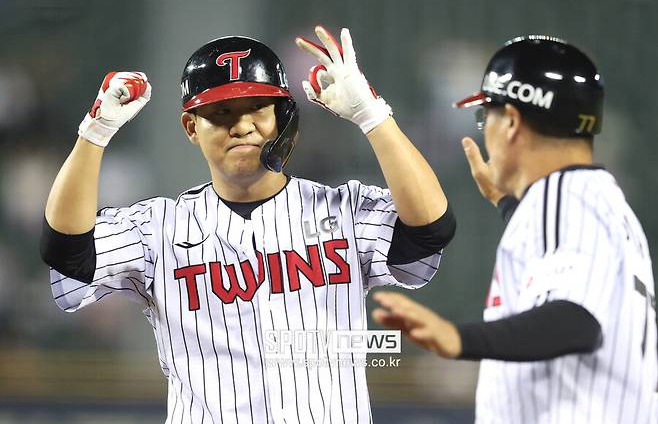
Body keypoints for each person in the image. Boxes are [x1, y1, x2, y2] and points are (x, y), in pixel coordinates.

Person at [40, 26, 456, 423]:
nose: (242, 125)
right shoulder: (157, 229)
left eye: (258, 107)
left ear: (284, 118)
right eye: (221, 113)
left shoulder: (343, 211)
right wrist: (95, 131)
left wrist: (371, 114)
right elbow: (66, 249)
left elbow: (430, 228)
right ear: (191, 128)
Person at [373, 35, 657, 424]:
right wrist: (511, 207)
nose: (483, 128)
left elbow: (577, 320)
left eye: (485, 115)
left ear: (511, 122)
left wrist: (458, 339)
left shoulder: (562, 196)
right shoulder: (602, 203)